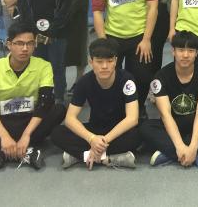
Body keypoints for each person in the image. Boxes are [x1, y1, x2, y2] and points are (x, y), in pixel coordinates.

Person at [0, 22, 66, 170]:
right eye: (19, 43)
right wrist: (4, 136)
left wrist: (26, 135)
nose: (25, 48)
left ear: (35, 45)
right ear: (9, 44)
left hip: (30, 121)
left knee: (59, 109)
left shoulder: (44, 66)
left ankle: (5, 151)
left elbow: (45, 103)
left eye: (30, 43)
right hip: (3, 121)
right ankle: (24, 151)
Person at [91, 0, 159, 119]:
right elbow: (97, 11)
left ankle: (139, 109)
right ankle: (116, 110)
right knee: (109, 77)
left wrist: (146, 39)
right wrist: (103, 41)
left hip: (139, 36)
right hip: (112, 36)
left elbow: (153, 8)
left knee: (142, 77)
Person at [140, 31, 198, 169]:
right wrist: (180, 146)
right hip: (174, 124)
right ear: (173, 52)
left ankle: (170, 153)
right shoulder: (161, 76)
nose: (186, 55)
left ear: (196, 53)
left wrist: (193, 146)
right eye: (181, 50)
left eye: (190, 51)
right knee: (144, 127)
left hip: (197, 122)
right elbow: (165, 115)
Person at [51, 38, 141, 170]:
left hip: (119, 131)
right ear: (91, 62)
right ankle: (109, 158)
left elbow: (132, 119)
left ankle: (82, 156)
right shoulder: (84, 82)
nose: (104, 66)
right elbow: (70, 119)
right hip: (95, 129)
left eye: (109, 61)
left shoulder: (126, 80)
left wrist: (103, 141)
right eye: (99, 62)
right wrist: (92, 139)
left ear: (116, 61)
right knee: (57, 132)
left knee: (141, 132)